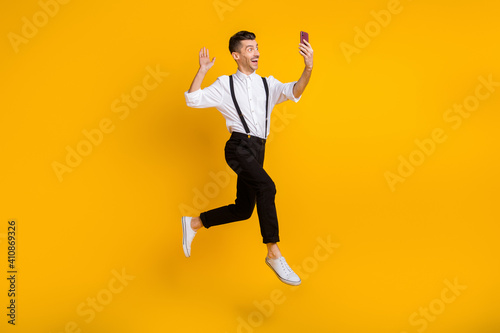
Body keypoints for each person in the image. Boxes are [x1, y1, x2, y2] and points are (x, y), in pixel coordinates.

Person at [182, 30, 313, 286]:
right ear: (237, 55)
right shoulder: (224, 84)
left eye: (257, 47)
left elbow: (295, 90)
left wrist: (308, 68)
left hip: (258, 150)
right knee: (267, 187)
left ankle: (195, 222)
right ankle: (273, 253)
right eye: (250, 48)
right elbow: (192, 99)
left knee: (244, 209)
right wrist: (203, 70)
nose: (257, 52)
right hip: (238, 146)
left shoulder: (268, 83)